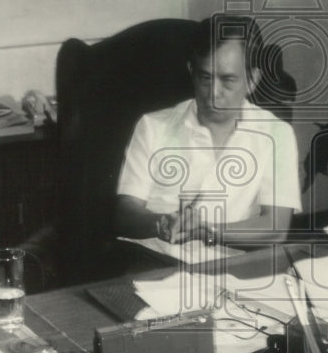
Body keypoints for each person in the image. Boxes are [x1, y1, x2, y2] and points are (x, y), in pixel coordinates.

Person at [115, 14, 301, 248]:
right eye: (205, 77)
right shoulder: (153, 126)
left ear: (252, 79)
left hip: (227, 269)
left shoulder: (276, 134)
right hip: (152, 262)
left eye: (227, 80)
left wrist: (206, 231)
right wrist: (160, 222)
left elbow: (276, 229)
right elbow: (125, 212)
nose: (213, 92)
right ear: (191, 70)